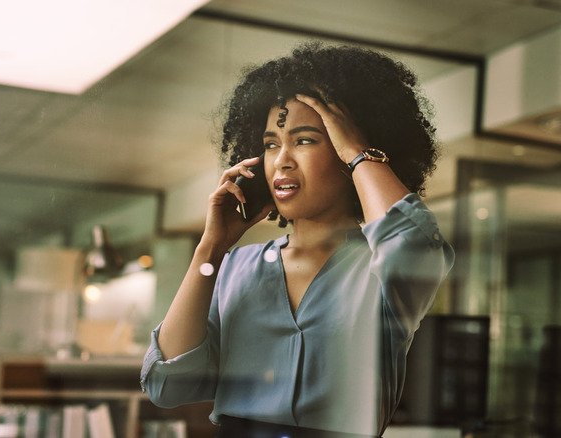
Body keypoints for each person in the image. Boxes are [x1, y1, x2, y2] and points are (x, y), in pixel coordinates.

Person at [140, 43, 454, 437]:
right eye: (271, 144)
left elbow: (415, 244)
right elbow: (167, 385)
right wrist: (211, 249)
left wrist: (358, 152)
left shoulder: (382, 267)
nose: (282, 159)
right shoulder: (236, 266)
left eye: (304, 140)